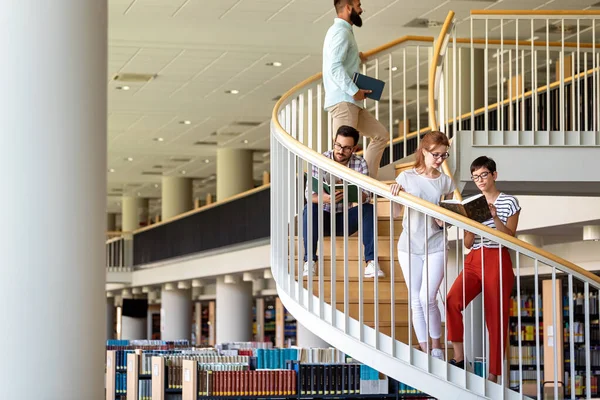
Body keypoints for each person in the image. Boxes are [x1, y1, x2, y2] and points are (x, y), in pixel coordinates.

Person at [446, 156, 521, 383]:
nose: (480, 180)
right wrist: (471, 224)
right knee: (452, 300)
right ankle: (459, 358)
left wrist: (494, 217)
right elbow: (468, 243)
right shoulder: (472, 201)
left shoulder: (509, 201)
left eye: (484, 175)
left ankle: (494, 374)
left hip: (497, 257)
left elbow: (510, 238)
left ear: (494, 175)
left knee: (496, 317)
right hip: (474, 257)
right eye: (475, 176)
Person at [389, 131, 455, 360]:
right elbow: (396, 214)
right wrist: (395, 198)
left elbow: (449, 221)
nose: (439, 159)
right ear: (424, 151)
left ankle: (437, 348)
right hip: (409, 245)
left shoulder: (446, 181)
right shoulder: (405, 177)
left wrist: (443, 221)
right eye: (436, 154)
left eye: (443, 155)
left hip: (435, 244)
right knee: (415, 299)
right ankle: (425, 349)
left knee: (429, 296)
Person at [303, 125, 383, 278]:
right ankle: (310, 261)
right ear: (334, 142)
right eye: (338, 145)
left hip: (345, 220)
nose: (340, 151)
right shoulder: (319, 160)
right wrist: (326, 199)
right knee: (310, 208)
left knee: (369, 209)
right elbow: (310, 195)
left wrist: (351, 194)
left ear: (354, 148)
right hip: (322, 219)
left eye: (346, 148)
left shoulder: (359, 164)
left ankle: (371, 262)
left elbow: (367, 195)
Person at [323, 0, 389, 179]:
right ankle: (340, 198)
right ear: (348, 8)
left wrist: (356, 57)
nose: (361, 10)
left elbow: (339, 62)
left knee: (381, 135)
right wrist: (354, 90)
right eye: (358, 6)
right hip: (345, 100)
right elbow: (334, 67)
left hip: (351, 101)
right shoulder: (341, 32)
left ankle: (367, 183)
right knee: (342, 153)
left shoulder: (343, 32)